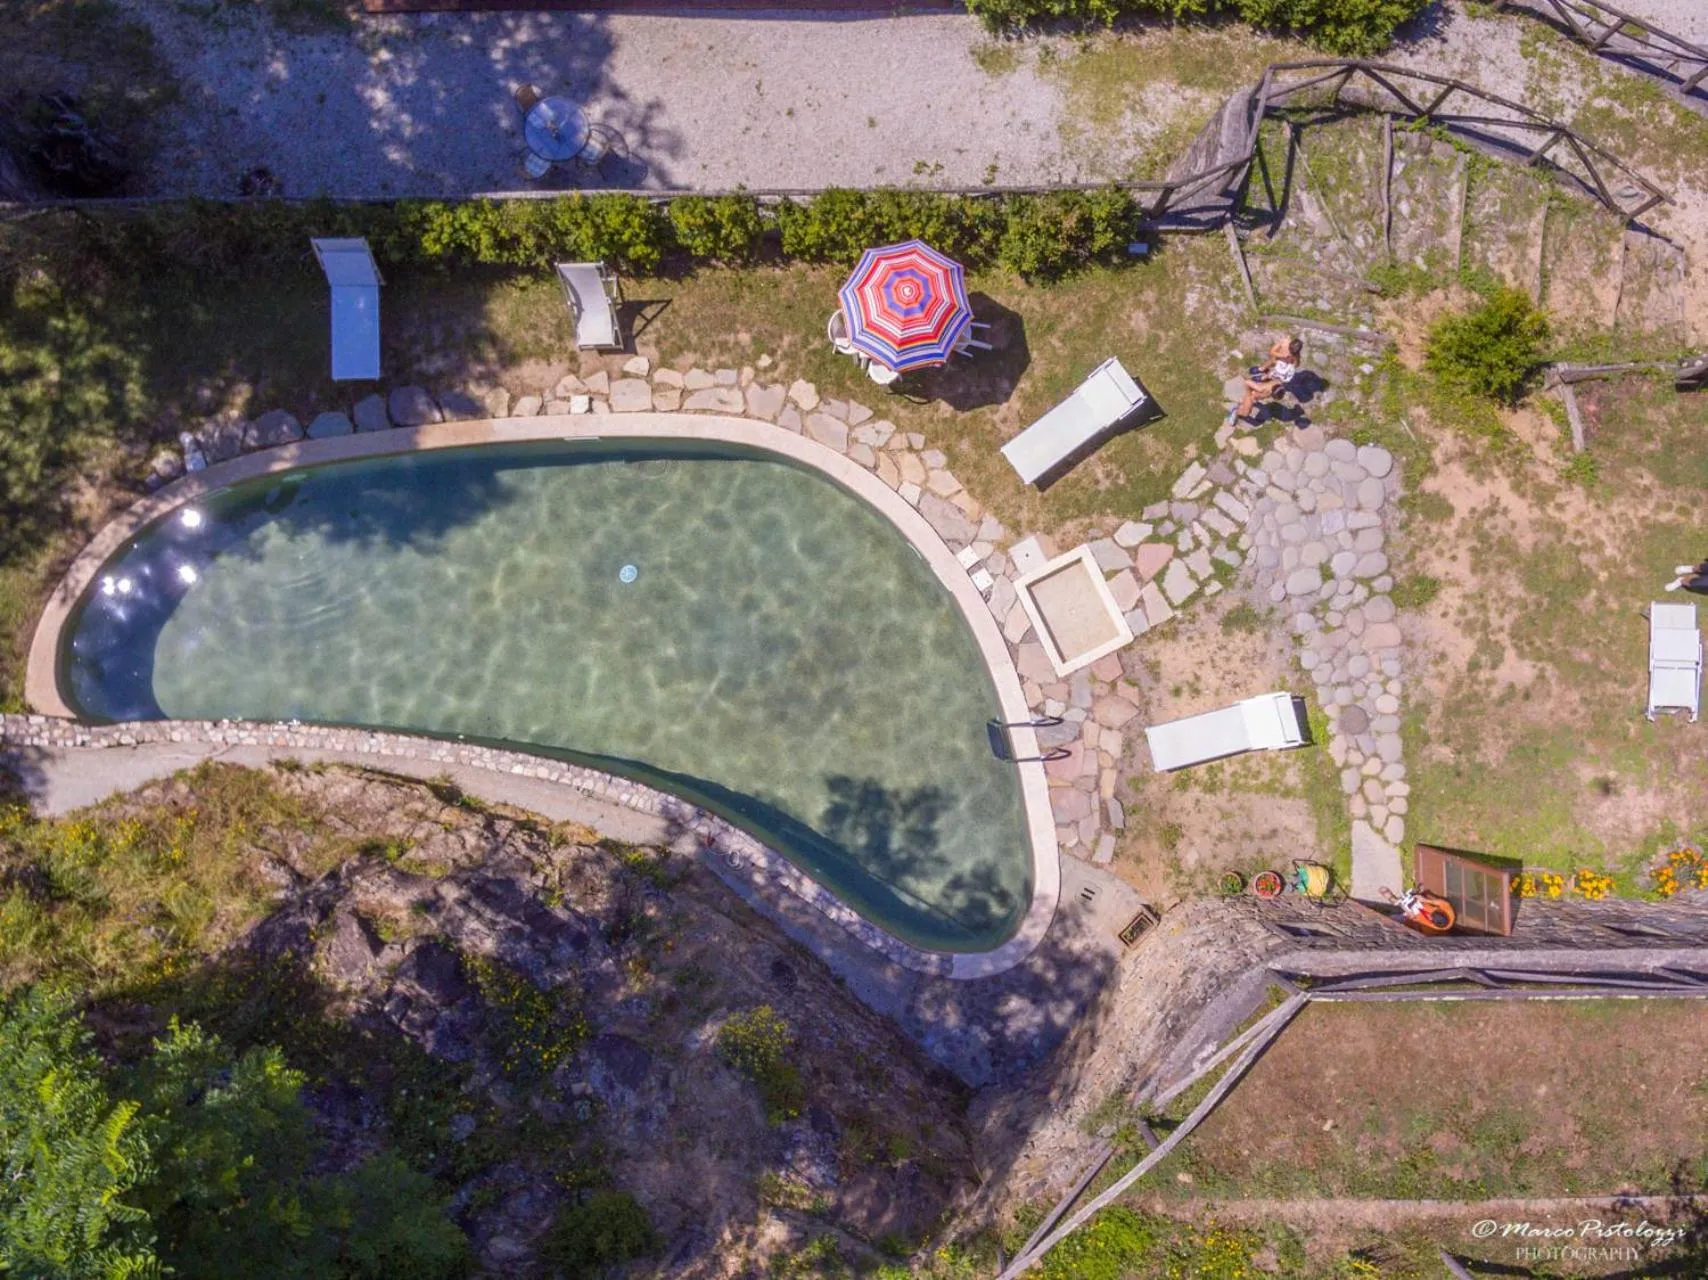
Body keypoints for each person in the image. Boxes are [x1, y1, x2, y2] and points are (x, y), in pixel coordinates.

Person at [1225, 336, 1302, 426]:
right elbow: (1247, 383)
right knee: (1246, 412)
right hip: (1252, 396)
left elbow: (1292, 367)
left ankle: (1241, 408)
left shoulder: (1277, 384)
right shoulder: (1261, 388)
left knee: (1250, 403)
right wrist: (1249, 395)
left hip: (1257, 395)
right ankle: (1236, 413)